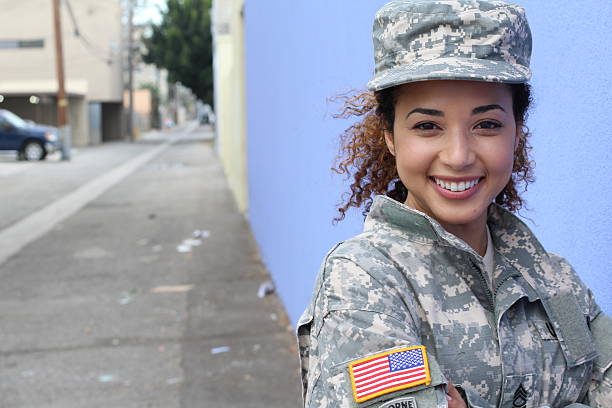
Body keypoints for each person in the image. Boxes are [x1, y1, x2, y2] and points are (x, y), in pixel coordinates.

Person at [296, 1, 611, 407]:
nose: (459, 155)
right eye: (428, 126)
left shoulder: (555, 281)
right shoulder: (363, 284)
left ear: (517, 131)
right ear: (390, 135)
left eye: (487, 125)